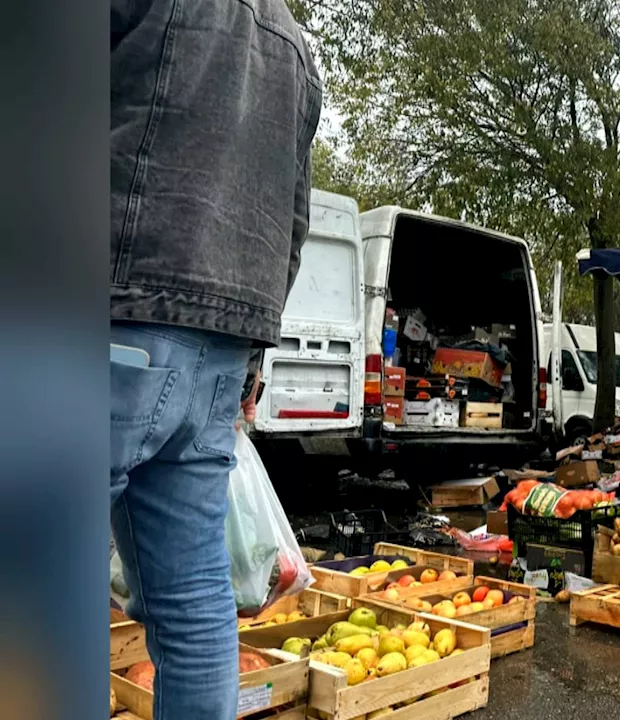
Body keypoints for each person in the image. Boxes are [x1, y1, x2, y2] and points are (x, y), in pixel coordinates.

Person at [111, 2, 321, 717]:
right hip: (222, 347)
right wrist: (251, 360)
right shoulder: (293, 47)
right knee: (195, 595)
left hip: (116, 298)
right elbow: (295, 218)